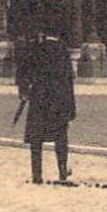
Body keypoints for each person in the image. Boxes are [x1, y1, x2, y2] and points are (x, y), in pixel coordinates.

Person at [17, 30, 77, 184]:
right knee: (61, 137)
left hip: (39, 98)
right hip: (59, 100)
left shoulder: (35, 49)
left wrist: (23, 92)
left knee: (36, 138)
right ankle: (62, 170)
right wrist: (71, 107)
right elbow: (69, 79)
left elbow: (23, 71)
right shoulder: (63, 50)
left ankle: (37, 174)